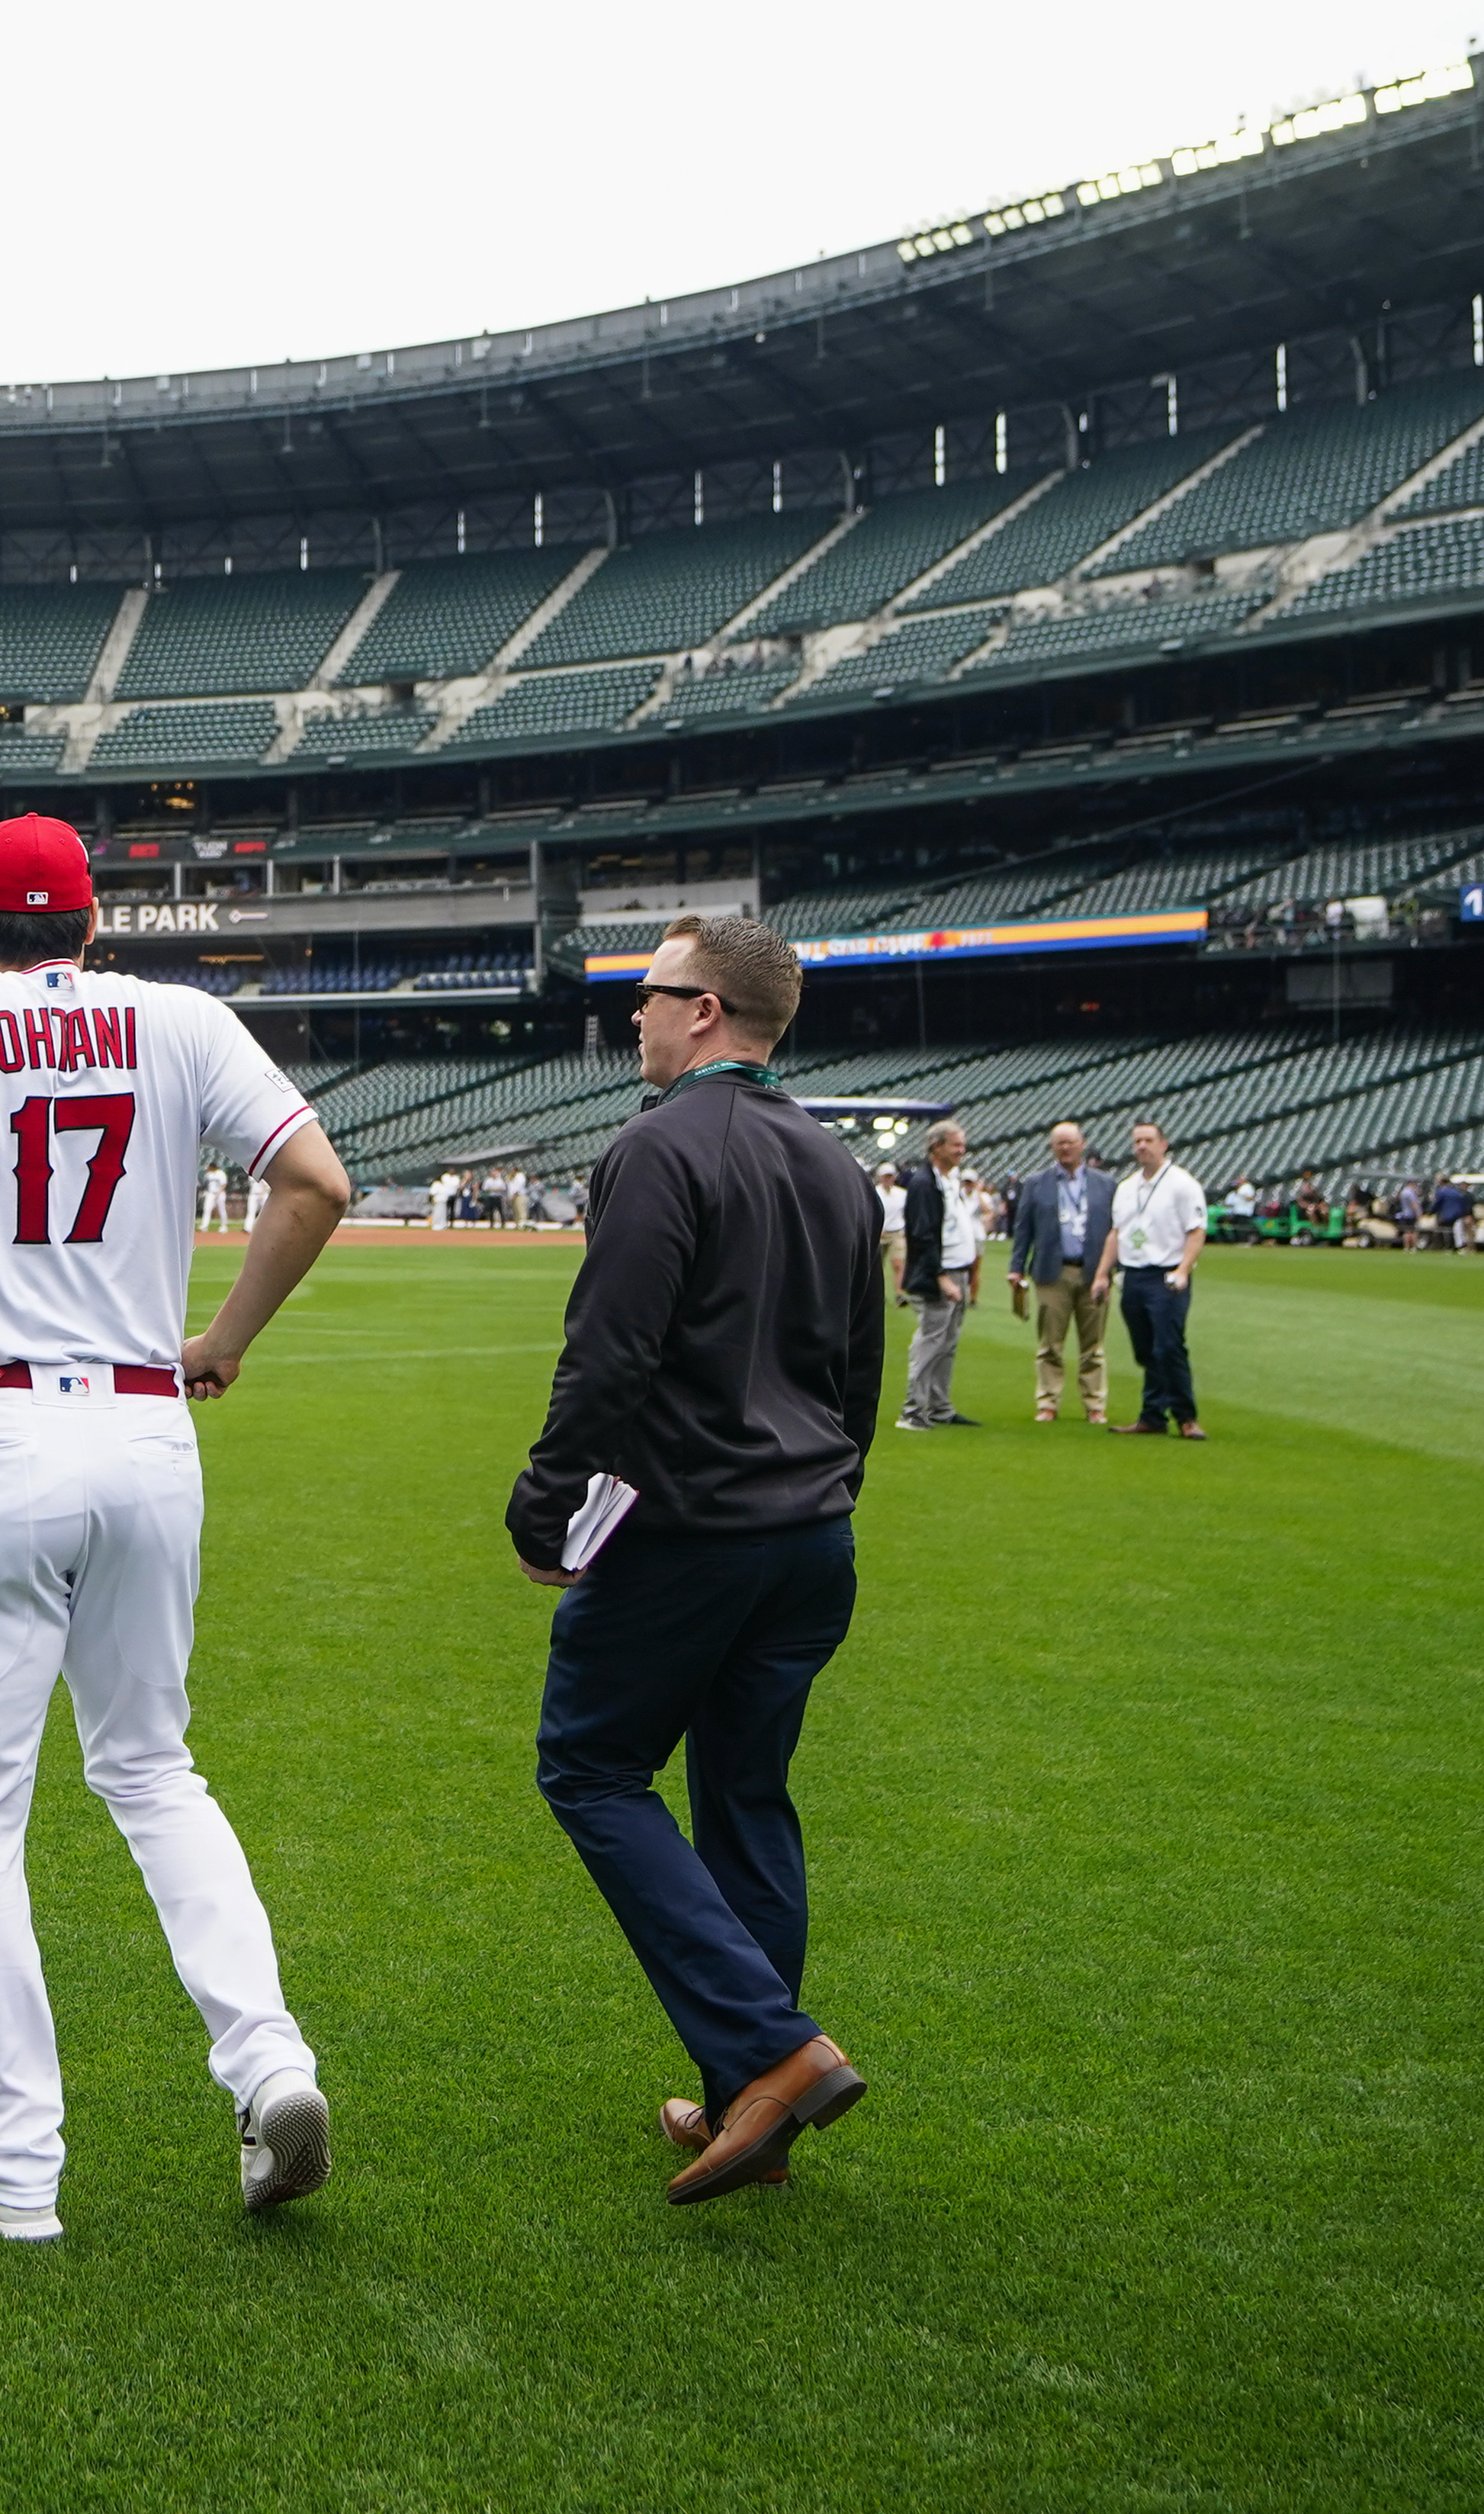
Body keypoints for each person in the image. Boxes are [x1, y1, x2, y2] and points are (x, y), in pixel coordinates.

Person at [0, 811, 355, 2244]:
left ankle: (13, 2167)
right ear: (93, 923)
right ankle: (267, 2060)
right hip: (145, 1427)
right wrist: (220, 1334)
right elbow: (316, 1181)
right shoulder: (179, 1017)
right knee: (154, 1770)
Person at [509, 912, 883, 2206]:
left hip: (690, 1534)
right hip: (808, 1537)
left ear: (706, 1010)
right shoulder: (835, 1164)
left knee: (592, 1766)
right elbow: (856, 1373)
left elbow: (608, 1354)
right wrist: (827, 1498)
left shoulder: (658, 1146)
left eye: (650, 993)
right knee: (746, 1796)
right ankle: (744, 2102)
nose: (633, 1013)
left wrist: (543, 1505)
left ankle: (773, 2053)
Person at [1092, 1119, 1206, 1439]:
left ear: (1163, 1144)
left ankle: (1186, 1416)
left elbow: (1196, 1231)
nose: (1142, 1146)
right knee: (1145, 1350)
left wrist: (1182, 1270)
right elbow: (1117, 1234)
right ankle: (1153, 1415)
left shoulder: (1182, 1184)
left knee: (1169, 1347)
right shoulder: (1126, 1188)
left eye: (1148, 1140)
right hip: (1133, 1275)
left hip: (1166, 1274)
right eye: (1137, 1141)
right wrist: (1103, 1274)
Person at [1007, 1123, 1118, 1426]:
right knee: (1050, 1343)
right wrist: (1016, 1267)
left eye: (1070, 1143)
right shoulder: (1037, 1183)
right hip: (1052, 1272)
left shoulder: (1105, 1184)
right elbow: (1023, 1230)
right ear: (1052, 1148)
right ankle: (1048, 1401)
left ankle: (1095, 1404)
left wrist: (1111, 1271)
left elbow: (1115, 1230)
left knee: (1093, 1345)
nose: (1065, 1148)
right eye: (1059, 1144)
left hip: (1094, 1272)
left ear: (1082, 1144)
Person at [896, 1121, 983, 1432]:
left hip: (956, 1270)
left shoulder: (948, 1179)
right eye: (956, 1145)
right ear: (937, 1147)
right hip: (938, 1275)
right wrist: (940, 1275)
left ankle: (938, 1406)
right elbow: (923, 1234)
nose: (962, 1150)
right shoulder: (924, 1184)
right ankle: (913, 1410)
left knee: (947, 1343)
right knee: (931, 1342)